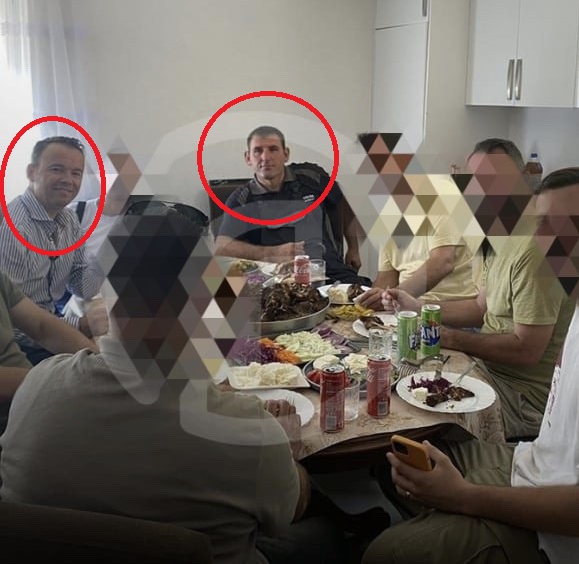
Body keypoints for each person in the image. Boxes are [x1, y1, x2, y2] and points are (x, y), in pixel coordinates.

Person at [0, 209, 379, 563]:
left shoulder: (37, 388)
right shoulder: (248, 432)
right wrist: (287, 448)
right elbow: (291, 509)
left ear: (106, 302)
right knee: (321, 534)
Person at [364, 166, 579, 564]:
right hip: (535, 463)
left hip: (560, 537)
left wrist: (462, 497)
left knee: (385, 553)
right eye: (542, 226)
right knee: (401, 460)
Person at [384, 139, 574, 439]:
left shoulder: (537, 248)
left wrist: (450, 337)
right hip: (485, 370)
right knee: (394, 379)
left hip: (521, 398)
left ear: (524, 178)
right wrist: (418, 307)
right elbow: (479, 308)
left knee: (410, 420)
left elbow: (528, 350)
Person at [0, 136, 114, 363]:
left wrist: (109, 252)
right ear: (32, 172)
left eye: (76, 173)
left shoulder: (69, 219)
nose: (68, 180)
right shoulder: (14, 228)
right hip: (21, 346)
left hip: (49, 328)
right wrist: (80, 325)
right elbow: (16, 324)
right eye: (57, 169)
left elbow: (83, 287)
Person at [215, 126, 369, 284]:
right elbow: (221, 246)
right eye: (258, 151)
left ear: (286, 154)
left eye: (273, 149)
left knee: (372, 295)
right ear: (248, 158)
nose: (265, 157)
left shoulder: (312, 176)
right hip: (278, 278)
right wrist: (272, 253)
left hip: (328, 269)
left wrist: (353, 249)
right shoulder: (242, 199)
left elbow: (342, 202)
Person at [0, 270, 96, 434]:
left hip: (31, 403)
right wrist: (53, 384)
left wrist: (99, 362)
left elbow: (42, 326)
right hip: (13, 421)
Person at [358, 211, 478, 309]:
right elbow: (386, 279)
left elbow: (442, 263)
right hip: (406, 313)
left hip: (450, 314)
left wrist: (394, 296)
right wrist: (372, 300)